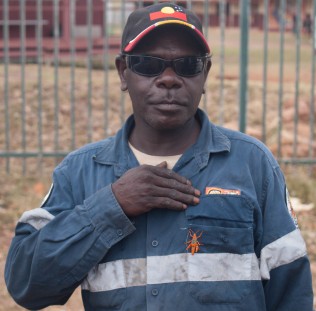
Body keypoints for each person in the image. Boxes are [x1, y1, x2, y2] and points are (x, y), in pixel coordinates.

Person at [5, 3, 314, 311]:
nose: (169, 78)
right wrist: (112, 206)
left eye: (188, 65)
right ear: (123, 72)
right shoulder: (82, 172)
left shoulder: (252, 165)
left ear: (204, 74)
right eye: (148, 64)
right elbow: (26, 285)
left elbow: (292, 293)